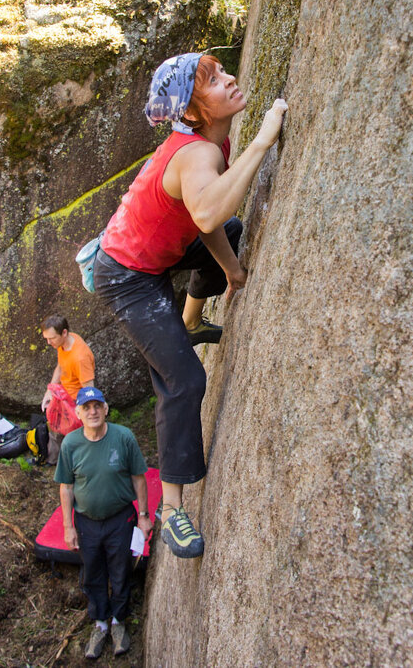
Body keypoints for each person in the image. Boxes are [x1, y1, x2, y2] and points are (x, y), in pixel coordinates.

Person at [93, 52, 287, 559]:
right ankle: (173, 509)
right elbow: (207, 208)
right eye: (214, 81)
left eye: (223, 72)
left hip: (159, 254)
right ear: (194, 112)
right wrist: (264, 139)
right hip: (128, 278)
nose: (230, 80)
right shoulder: (198, 154)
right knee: (184, 380)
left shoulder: (207, 143)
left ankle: (192, 320)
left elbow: (209, 223)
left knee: (235, 230)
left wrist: (232, 270)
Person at [54, 386, 154, 660]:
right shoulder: (71, 444)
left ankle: (118, 622)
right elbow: (66, 487)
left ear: (106, 409)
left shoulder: (123, 438)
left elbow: (138, 478)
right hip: (86, 522)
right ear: (78, 413)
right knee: (93, 572)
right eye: (86, 407)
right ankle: (99, 621)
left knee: (121, 571)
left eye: (97, 406)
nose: (93, 411)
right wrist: (68, 526)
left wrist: (144, 516)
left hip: (121, 519)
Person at [40, 314, 95, 464]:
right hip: (63, 396)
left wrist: (81, 410)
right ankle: (53, 461)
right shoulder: (64, 343)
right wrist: (49, 391)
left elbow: (89, 389)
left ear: (64, 332)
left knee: (75, 439)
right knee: (55, 428)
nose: (48, 342)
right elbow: (60, 366)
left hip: (75, 402)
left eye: (51, 338)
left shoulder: (80, 357)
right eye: (46, 338)